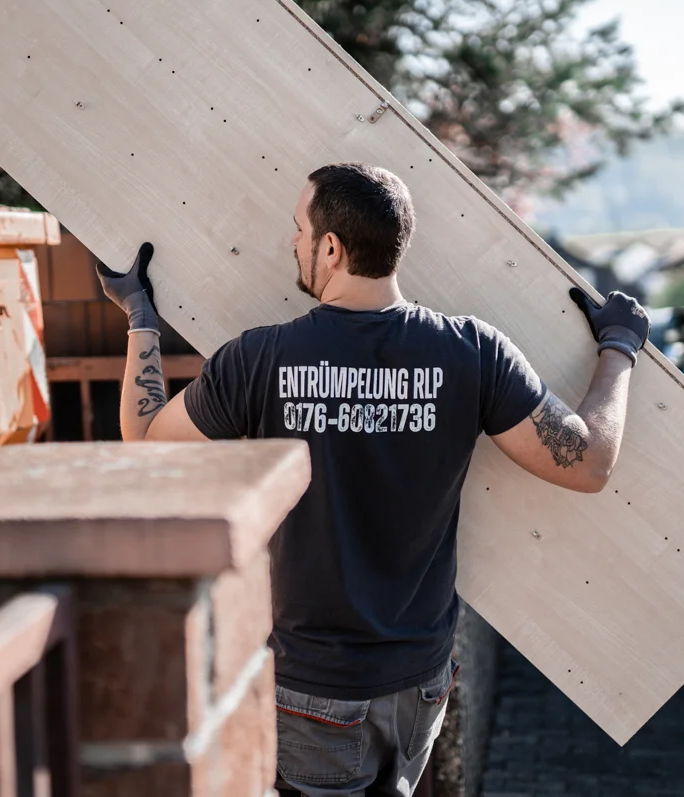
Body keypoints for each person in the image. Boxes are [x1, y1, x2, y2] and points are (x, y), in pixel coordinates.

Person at [96, 161, 649, 796]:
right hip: (420, 681)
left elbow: (143, 445)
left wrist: (140, 316)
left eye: (299, 230)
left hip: (314, 688)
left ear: (330, 248)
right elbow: (588, 462)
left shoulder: (260, 358)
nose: (292, 243)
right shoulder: (473, 352)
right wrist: (619, 349)